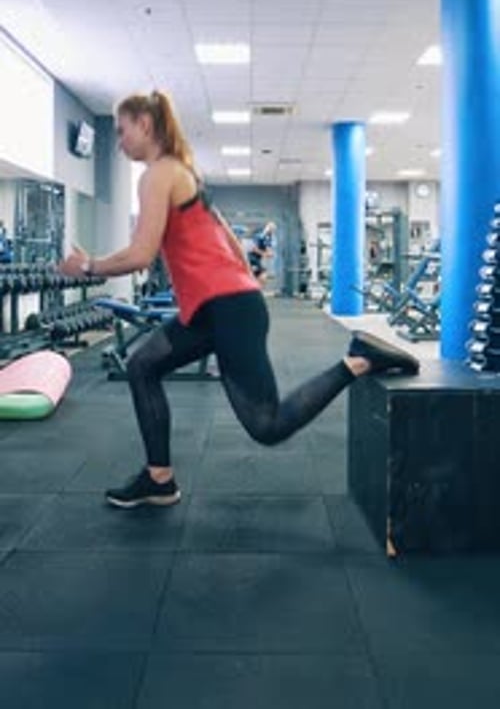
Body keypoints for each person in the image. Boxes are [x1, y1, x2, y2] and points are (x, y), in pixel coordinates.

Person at [59, 90, 420, 509]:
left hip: (226, 310)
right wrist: (242, 284)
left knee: (266, 425)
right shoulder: (185, 172)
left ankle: (358, 360)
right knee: (142, 365)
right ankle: (159, 479)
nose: (119, 142)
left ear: (145, 124)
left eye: (122, 131)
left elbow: (141, 254)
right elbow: (227, 234)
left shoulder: (158, 174)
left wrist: (86, 267)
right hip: (216, 308)